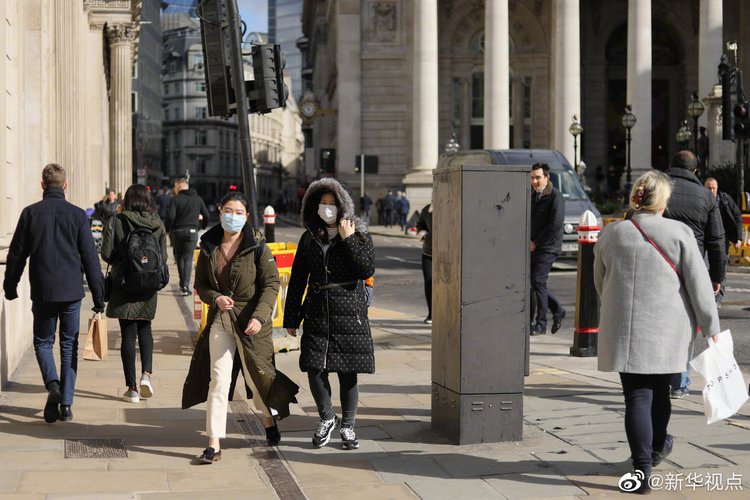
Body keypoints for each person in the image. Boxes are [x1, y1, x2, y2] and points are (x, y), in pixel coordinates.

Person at [594, 170, 720, 494]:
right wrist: (711, 327)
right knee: (661, 393)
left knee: (636, 397)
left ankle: (642, 470)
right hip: (667, 330)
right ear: (662, 200)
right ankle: (656, 447)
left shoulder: (612, 234)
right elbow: (698, 284)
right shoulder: (678, 233)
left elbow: (600, 283)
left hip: (624, 330)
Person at [182, 191, 299, 463]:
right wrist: (215, 298)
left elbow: (271, 284)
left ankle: (268, 420)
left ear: (246, 217)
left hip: (251, 323)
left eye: (238, 213)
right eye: (228, 211)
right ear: (220, 210)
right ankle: (214, 443)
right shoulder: (209, 243)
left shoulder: (257, 244)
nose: (232, 217)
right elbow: (201, 285)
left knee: (257, 377)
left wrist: (259, 317)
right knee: (219, 380)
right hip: (221, 322)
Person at [3, 163, 105, 423]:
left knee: (43, 342)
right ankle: (66, 404)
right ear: (65, 185)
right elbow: (91, 259)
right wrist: (98, 295)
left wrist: (10, 285)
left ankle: (53, 386)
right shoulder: (78, 215)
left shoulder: (30, 214)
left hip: (43, 290)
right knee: (68, 346)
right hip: (71, 292)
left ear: (42, 184)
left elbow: (16, 255)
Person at [283, 178, 375, 450]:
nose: (327, 209)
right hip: (317, 309)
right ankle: (326, 417)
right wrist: (291, 317)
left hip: (349, 310)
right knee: (313, 367)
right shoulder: (310, 237)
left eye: (332, 204)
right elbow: (298, 277)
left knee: (348, 372)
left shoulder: (359, 234)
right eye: (322, 204)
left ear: (343, 206)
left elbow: (365, 269)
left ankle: (348, 425)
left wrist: (347, 240)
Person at [664, 150, 725, 399]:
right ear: (695, 171)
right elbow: (717, 241)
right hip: (692, 267)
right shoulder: (705, 196)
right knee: (686, 324)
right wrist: (716, 277)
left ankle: (659, 377)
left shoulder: (657, 188)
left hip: (658, 263)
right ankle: (679, 382)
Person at [101, 184, 167, 404]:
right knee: (145, 328)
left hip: (123, 284)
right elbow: (163, 258)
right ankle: (146, 375)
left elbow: (106, 254)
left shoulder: (116, 221)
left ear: (127, 200)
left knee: (128, 335)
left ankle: (131, 389)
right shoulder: (157, 223)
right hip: (148, 285)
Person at [529, 162, 566, 335]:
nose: (535, 181)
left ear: (546, 177)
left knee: (538, 281)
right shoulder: (532, 196)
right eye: (532, 178)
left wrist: (536, 242)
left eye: (538, 178)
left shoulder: (555, 196)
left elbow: (555, 224)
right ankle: (558, 310)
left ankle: (541, 324)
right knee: (535, 283)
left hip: (548, 246)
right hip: (533, 246)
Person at [166, 178, 210, 296]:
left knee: (179, 257)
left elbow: (170, 217)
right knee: (188, 257)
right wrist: (201, 227)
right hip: (192, 231)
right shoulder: (197, 199)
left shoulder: (174, 200)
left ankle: (183, 284)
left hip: (178, 231)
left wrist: (169, 229)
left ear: (177, 187)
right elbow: (206, 215)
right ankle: (186, 285)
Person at [704, 177, 743, 306]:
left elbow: (737, 216)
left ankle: (717, 299)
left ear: (717, 188)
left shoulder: (724, 200)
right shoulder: (700, 199)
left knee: (721, 269)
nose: (711, 190)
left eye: (713, 188)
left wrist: (738, 237)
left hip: (722, 239)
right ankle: (706, 297)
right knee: (704, 268)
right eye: (708, 188)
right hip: (704, 239)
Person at [416, 202, 433, 324]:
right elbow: (420, 224)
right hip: (429, 252)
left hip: (449, 253)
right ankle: (431, 314)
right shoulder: (427, 209)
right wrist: (424, 235)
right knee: (429, 282)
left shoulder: (451, 206)